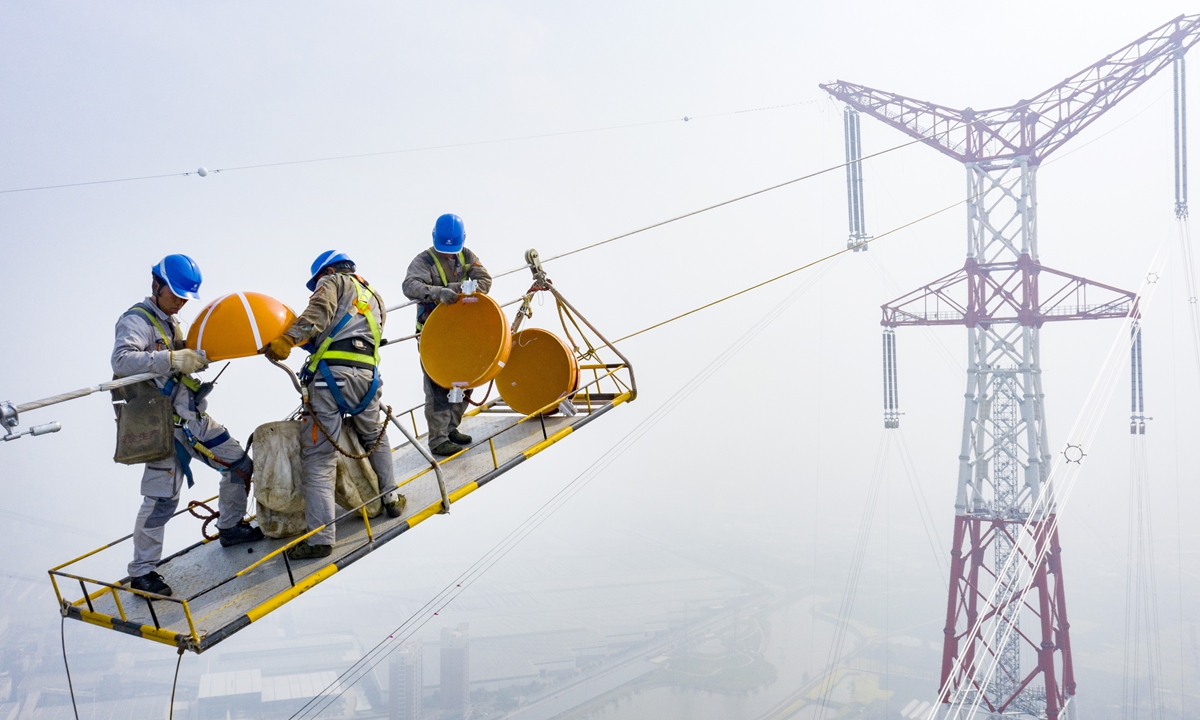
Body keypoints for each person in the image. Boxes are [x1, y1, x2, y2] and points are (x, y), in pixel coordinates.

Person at [112, 254, 261, 597]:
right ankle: (142, 572)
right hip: (164, 425)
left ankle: (230, 527)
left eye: (184, 297)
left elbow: (177, 362)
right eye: (175, 295)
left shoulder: (171, 323)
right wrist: (173, 358)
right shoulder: (137, 320)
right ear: (156, 285)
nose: (180, 302)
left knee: (240, 465)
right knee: (162, 500)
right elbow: (121, 360)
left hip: (192, 418)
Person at [265, 251, 405, 560]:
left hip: (331, 378)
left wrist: (288, 340)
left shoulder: (332, 281)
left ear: (327, 271)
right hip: (368, 379)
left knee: (319, 459)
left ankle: (321, 539)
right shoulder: (376, 297)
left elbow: (318, 312)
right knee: (375, 437)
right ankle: (392, 497)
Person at [402, 213, 493, 456]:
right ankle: (438, 440)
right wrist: (438, 292)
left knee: (466, 381)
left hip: (463, 334)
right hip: (434, 335)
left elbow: (485, 280)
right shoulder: (424, 260)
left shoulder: (467, 256)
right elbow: (409, 286)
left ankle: (452, 428)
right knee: (438, 387)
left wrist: (462, 289)